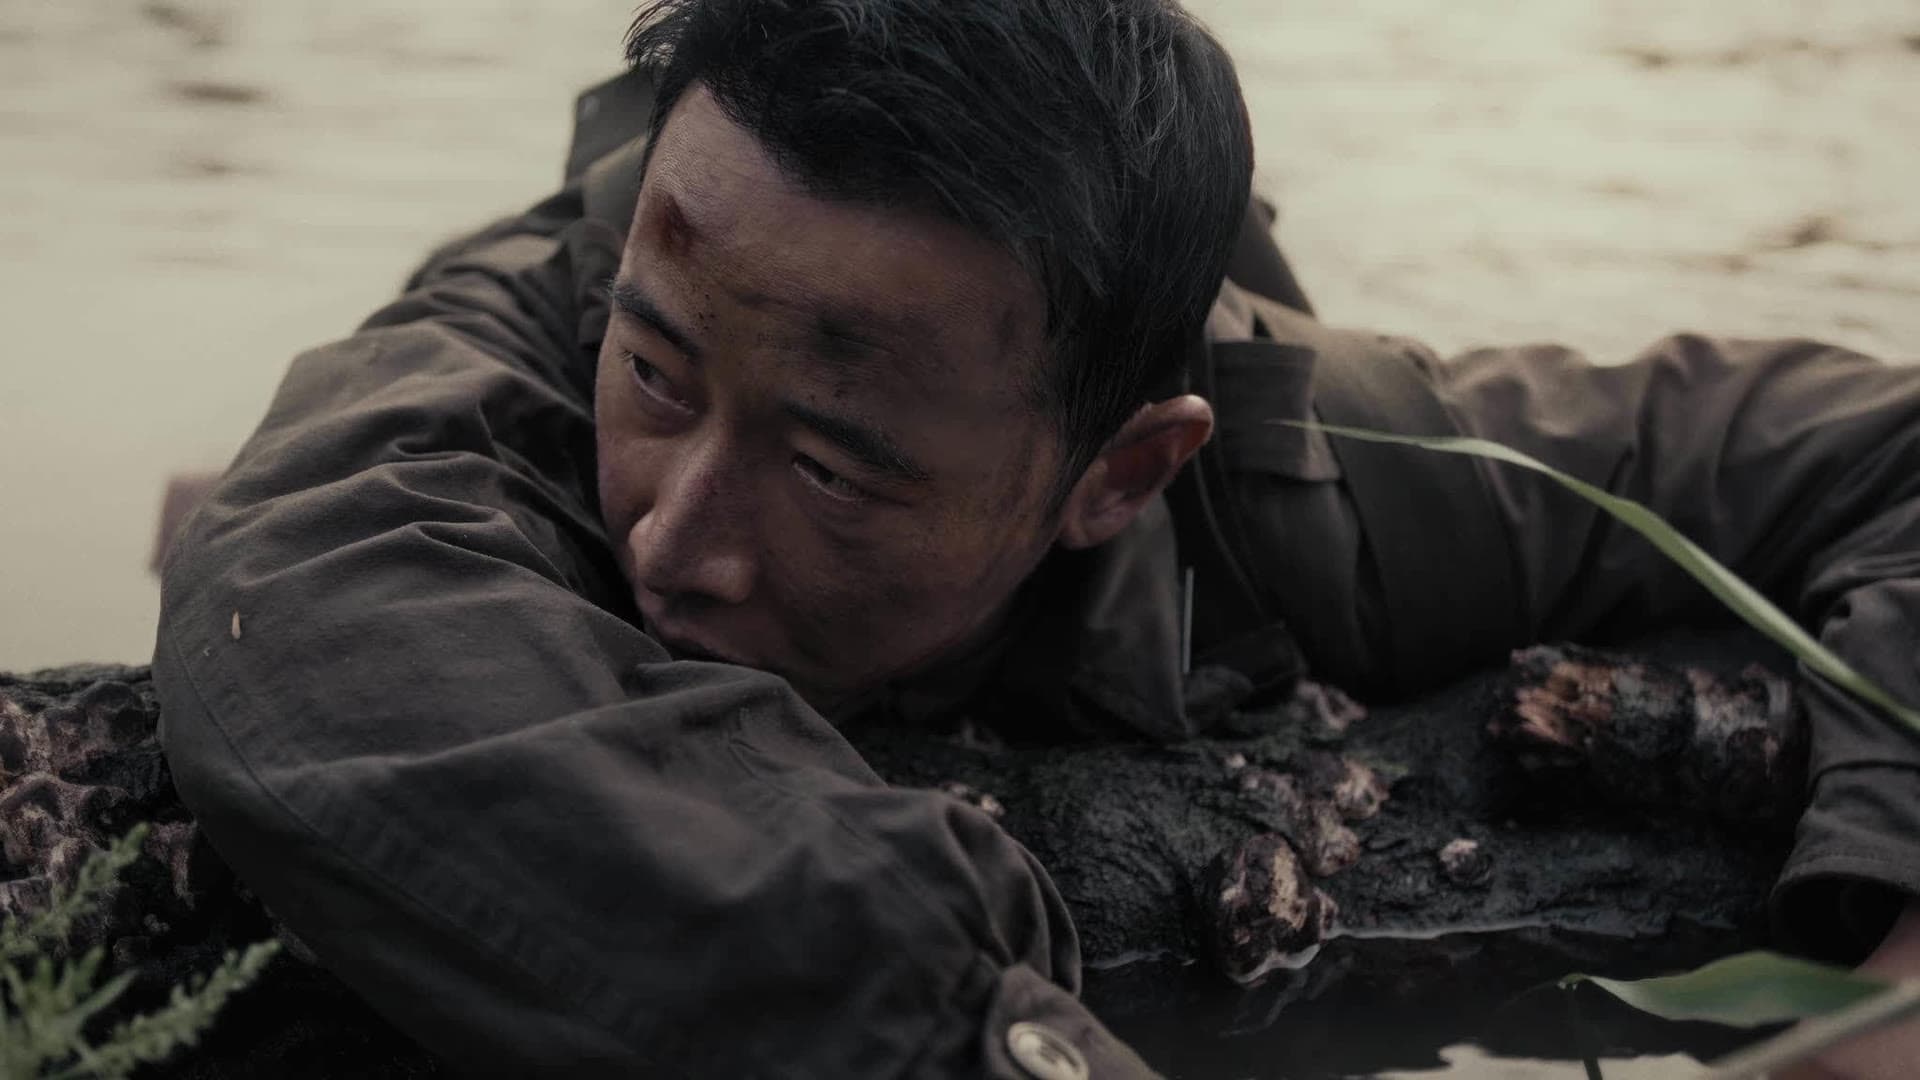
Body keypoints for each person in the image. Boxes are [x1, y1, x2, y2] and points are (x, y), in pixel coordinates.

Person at [152, 0, 1920, 1075]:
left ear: (1124, 475)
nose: (681, 540)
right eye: (660, 381)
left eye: (830, 472)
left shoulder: (1318, 468)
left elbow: (1881, 448)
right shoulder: (530, 343)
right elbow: (315, 607)